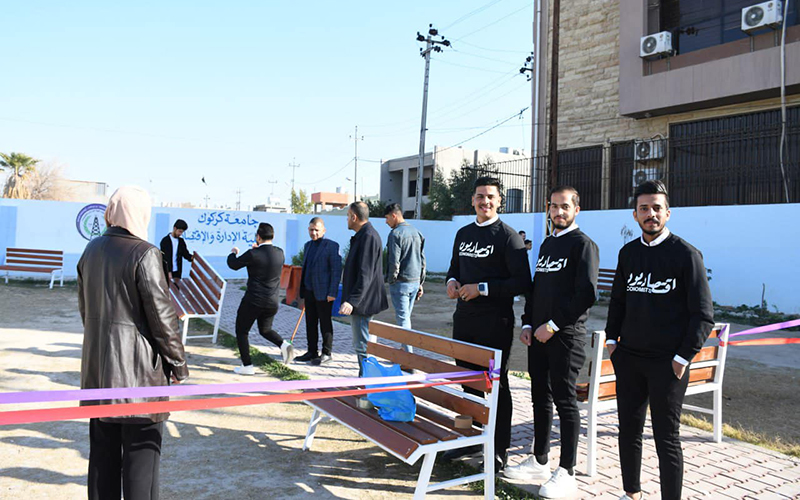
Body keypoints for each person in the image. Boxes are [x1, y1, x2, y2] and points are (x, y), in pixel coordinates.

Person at [78, 186, 189, 500]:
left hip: (99, 374)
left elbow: (86, 311)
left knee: (102, 462)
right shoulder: (145, 253)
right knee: (141, 466)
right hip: (140, 379)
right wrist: (179, 366)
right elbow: (162, 318)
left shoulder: (91, 250)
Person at [606, 180, 714, 500]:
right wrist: (612, 342)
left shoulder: (686, 254)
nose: (650, 214)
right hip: (629, 359)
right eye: (644, 208)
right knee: (629, 431)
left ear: (668, 213)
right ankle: (631, 493)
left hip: (668, 364)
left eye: (656, 208)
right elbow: (618, 301)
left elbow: (703, 314)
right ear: (635, 215)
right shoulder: (628, 253)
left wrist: (682, 358)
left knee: (666, 438)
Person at [504, 186, 599, 499]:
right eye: (554, 206)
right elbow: (537, 288)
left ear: (576, 210)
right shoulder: (547, 243)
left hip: (566, 338)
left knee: (565, 402)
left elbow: (587, 294)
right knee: (539, 398)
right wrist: (528, 323)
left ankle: (567, 472)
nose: (559, 212)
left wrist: (554, 326)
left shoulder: (583, 245)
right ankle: (540, 460)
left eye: (565, 207)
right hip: (539, 336)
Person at [442, 177, 531, 471]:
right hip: (464, 322)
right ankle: (471, 439)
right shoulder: (463, 234)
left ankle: (498, 448)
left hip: (495, 325)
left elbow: (521, 282)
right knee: (468, 382)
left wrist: (481, 288)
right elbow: (454, 268)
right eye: (480, 196)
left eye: (491, 196)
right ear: (472, 200)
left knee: (496, 385)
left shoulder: (509, 237)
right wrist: (452, 282)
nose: (485, 201)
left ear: (500, 201)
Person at [227, 222, 295, 374]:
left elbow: (233, 264)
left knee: (242, 331)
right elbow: (265, 260)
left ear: (258, 237)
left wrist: (233, 252)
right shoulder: (280, 253)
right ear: (273, 236)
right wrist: (256, 250)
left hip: (253, 300)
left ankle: (247, 366)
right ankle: (283, 345)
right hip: (272, 301)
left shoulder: (253, 254)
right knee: (265, 329)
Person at [339, 201, 388, 376]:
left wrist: (352, 301)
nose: (346, 219)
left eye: (347, 216)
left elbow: (365, 275)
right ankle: (366, 377)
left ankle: (367, 380)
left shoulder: (368, 237)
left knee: (362, 344)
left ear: (354, 217)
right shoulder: (364, 235)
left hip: (363, 302)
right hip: (363, 299)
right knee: (363, 343)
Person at [296, 217, 341, 365]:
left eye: (316, 230)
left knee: (325, 323)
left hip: (324, 293)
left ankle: (326, 353)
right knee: (310, 323)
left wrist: (332, 292)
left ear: (323, 230)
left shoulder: (331, 246)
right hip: (309, 291)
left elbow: (336, 271)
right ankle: (312, 351)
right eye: (311, 230)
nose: (313, 233)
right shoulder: (307, 246)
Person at [384, 203, 426, 340]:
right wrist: (420, 282)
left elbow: (394, 261)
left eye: (387, 218)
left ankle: (408, 351)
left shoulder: (395, 234)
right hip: (414, 282)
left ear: (394, 216)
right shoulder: (417, 232)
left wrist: (391, 280)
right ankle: (405, 349)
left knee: (403, 320)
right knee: (406, 318)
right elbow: (422, 260)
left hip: (401, 283)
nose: (386, 222)